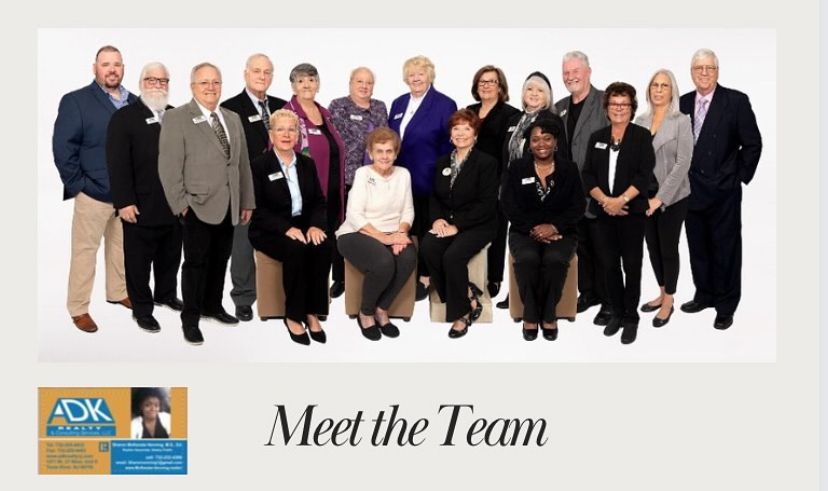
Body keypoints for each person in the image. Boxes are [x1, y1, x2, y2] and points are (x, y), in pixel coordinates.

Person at [158, 62, 255, 345]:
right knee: (195, 263)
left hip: (230, 204)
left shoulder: (232, 118)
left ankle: (213, 306)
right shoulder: (177, 118)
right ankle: (190, 318)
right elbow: (168, 167)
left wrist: (246, 200)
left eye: (215, 82)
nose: (211, 87)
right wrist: (181, 205)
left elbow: (242, 165)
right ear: (192, 87)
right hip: (197, 204)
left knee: (220, 259)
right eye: (204, 83)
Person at [52, 45, 137, 333]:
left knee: (122, 248)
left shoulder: (135, 103)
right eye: (106, 64)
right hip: (93, 193)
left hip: (127, 196)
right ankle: (78, 308)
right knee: (84, 252)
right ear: (95, 68)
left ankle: (118, 291)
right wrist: (80, 186)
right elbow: (63, 147)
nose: (112, 69)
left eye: (117, 64)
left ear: (123, 68)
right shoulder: (76, 101)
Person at [679, 49, 762, 330]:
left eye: (709, 68)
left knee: (725, 248)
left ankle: (726, 305)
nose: (704, 73)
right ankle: (704, 294)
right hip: (691, 189)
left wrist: (737, 176)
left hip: (724, 190)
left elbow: (752, 143)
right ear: (691, 72)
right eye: (699, 68)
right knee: (697, 245)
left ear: (717, 71)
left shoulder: (735, 101)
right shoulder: (682, 103)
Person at [106, 62, 183, 333]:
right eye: (152, 80)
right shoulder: (125, 118)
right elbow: (117, 163)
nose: (158, 85)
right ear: (141, 83)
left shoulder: (176, 115)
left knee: (171, 256)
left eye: (163, 80)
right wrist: (124, 201)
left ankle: (166, 294)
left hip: (174, 205)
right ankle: (142, 309)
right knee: (138, 262)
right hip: (139, 205)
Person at [249, 109, 331, 346]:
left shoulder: (306, 164)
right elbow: (258, 208)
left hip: (303, 225)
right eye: (280, 129)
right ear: (271, 134)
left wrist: (315, 225)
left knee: (323, 245)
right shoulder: (259, 165)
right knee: (296, 248)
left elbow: (318, 201)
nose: (286, 134)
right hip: (269, 229)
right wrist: (285, 228)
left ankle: (312, 311)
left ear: (298, 135)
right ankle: (293, 315)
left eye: (291, 129)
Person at [582, 82, 655, 345]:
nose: (619, 109)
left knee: (632, 266)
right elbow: (587, 174)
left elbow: (644, 175)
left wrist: (621, 200)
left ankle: (631, 317)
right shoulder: (597, 137)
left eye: (624, 104)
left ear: (632, 108)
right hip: (603, 214)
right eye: (614, 104)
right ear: (607, 107)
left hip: (631, 214)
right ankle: (616, 312)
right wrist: (605, 201)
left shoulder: (641, 137)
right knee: (609, 266)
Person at [501, 119, 584, 341]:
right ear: (529, 144)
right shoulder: (517, 168)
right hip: (523, 231)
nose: (541, 144)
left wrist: (555, 226)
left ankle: (549, 315)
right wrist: (533, 229)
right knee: (527, 258)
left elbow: (578, 206)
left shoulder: (569, 168)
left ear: (556, 142)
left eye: (547, 138)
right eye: (535, 139)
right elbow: (508, 204)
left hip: (562, 231)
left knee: (555, 259)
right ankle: (530, 314)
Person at [221, 53, 287, 322]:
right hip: (246, 187)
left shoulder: (283, 106)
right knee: (243, 244)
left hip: (281, 188)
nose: (262, 76)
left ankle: (279, 295)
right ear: (246, 74)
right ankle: (244, 297)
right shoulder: (230, 108)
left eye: (267, 72)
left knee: (282, 240)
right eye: (257, 71)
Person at [421, 109, 498, 338]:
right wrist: (437, 219)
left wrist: (458, 226)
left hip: (479, 224)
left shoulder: (486, 163)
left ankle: (462, 314)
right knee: (428, 247)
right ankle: (466, 293)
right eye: (456, 128)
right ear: (450, 135)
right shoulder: (443, 162)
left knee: (452, 256)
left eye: (467, 128)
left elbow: (486, 204)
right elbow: (435, 196)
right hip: (448, 222)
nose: (461, 133)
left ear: (475, 134)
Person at [388, 55, 458, 301]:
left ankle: (427, 277)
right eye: (411, 74)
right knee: (406, 226)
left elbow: (448, 146)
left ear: (430, 76)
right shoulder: (397, 104)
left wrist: (442, 179)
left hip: (429, 179)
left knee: (428, 228)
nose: (415, 78)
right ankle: (407, 272)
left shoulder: (444, 104)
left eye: (420, 73)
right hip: (399, 179)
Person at [336, 128, 416, 341]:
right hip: (356, 232)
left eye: (389, 151)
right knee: (383, 261)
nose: (384, 156)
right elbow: (354, 215)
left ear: (396, 153)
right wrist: (385, 239)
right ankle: (366, 312)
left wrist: (400, 233)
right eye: (379, 151)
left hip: (393, 231)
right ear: (370, 153)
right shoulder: (363, 174)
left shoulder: (403, 174)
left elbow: (408, 210)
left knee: (408, 257)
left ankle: (382, 308)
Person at [498, 71, 568, 309]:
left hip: (541, 192)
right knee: (520, 242)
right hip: (514, 192)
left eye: (540, 90)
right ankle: (517, 292)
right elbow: (505, 156)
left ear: (547, 96)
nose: (534, 94)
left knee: (540, 242)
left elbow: (562, 158)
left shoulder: (552, 120)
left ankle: (541, 297)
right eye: (530, 89)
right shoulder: (514, 120)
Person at [554, 50, 612, 325]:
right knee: (582, 247)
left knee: (605, 249)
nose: (571, 76)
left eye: (576, 71)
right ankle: (589, 293)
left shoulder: (604, 102)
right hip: (571, 195)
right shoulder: (560, 106)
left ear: (589, 71)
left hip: (600, 191)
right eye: (566, 72)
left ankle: (610, 302)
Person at [634, 69, 693, 327]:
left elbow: (683, 163)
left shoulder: (681, 120)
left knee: (668, 247)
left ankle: (669, 300)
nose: (658, 90)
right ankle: (661, 291)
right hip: (644, 197)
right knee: (652, 246)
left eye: (664, 86)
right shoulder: (640, 120)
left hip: (673, 196)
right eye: (654, 85)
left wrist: (660, 198)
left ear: (672, 91)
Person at [285, 63, 347, 300]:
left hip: (332, 193)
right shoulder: (288, 114)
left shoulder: (325, 113)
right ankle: (306, 300)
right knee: (309, 248)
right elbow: (279, 156)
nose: (306, 85)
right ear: (293, 86)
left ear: (318, 84)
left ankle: (319, 298)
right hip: (305, 198)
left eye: (311, 79)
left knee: (326, 245)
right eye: (300, 81)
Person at [328, 66, 389, 298]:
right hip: (347, 177)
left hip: (375, 178)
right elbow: (338, 139)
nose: (364, 86)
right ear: (350, 83)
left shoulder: (380, 107)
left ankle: (368, 274)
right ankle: (340, 278)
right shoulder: (338, 105)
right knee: (343, 227)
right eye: (359, 81)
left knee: (370, 227)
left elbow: (385, 139)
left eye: (369, 82)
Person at [466, 65, 520, 299]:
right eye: (482, 82)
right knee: (471, 228)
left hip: (497, 182)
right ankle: (471, 275)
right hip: (469, 182)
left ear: (501, 87)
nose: (486, 85)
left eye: (491, 81)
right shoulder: (469, 111)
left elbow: (511, 152)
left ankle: (494, 278)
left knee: (496, 231)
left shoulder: (511, 114)